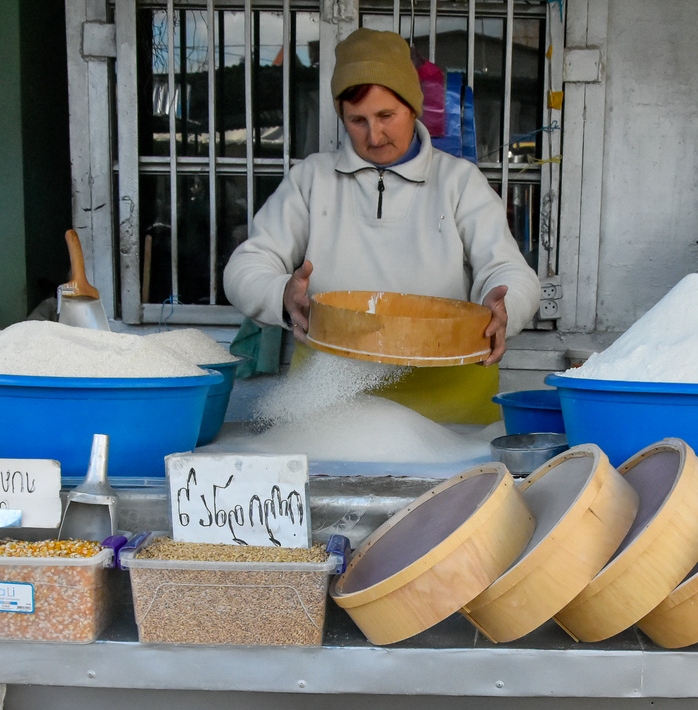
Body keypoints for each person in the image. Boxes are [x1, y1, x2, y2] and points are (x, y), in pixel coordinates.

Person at [224, 28, 541, 425]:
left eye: (386, 116)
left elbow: (508, 271)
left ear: (413, 107)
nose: (374, 136)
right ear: (341, 116)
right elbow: (245, 266)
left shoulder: (459, 182)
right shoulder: (312, 180)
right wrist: (281, 297)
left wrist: (504, 307)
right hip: (333, 410)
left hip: (450, 408)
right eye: (357, 120)